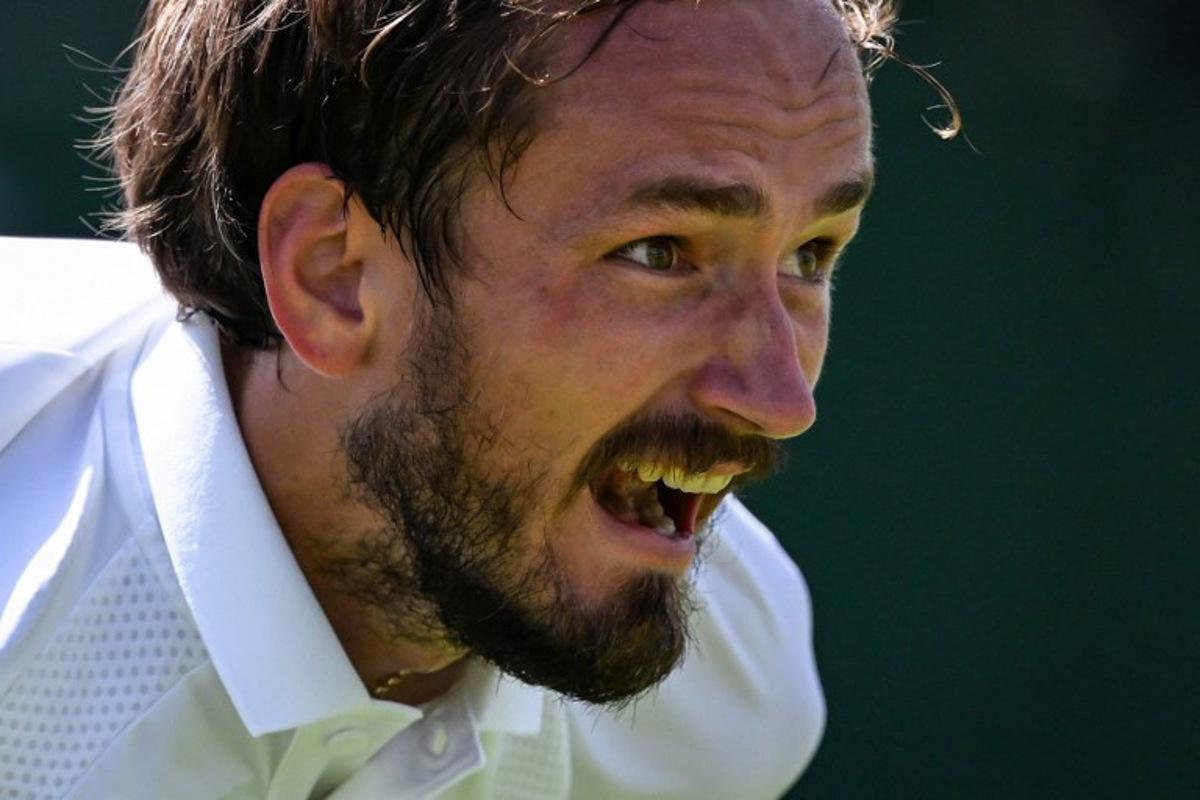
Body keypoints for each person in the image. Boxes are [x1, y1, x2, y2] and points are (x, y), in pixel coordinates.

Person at [0, 0, 904, 796]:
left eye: (810, 257)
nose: (781, 400)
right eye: (659, 252)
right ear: (336, 276)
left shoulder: (728, 703)